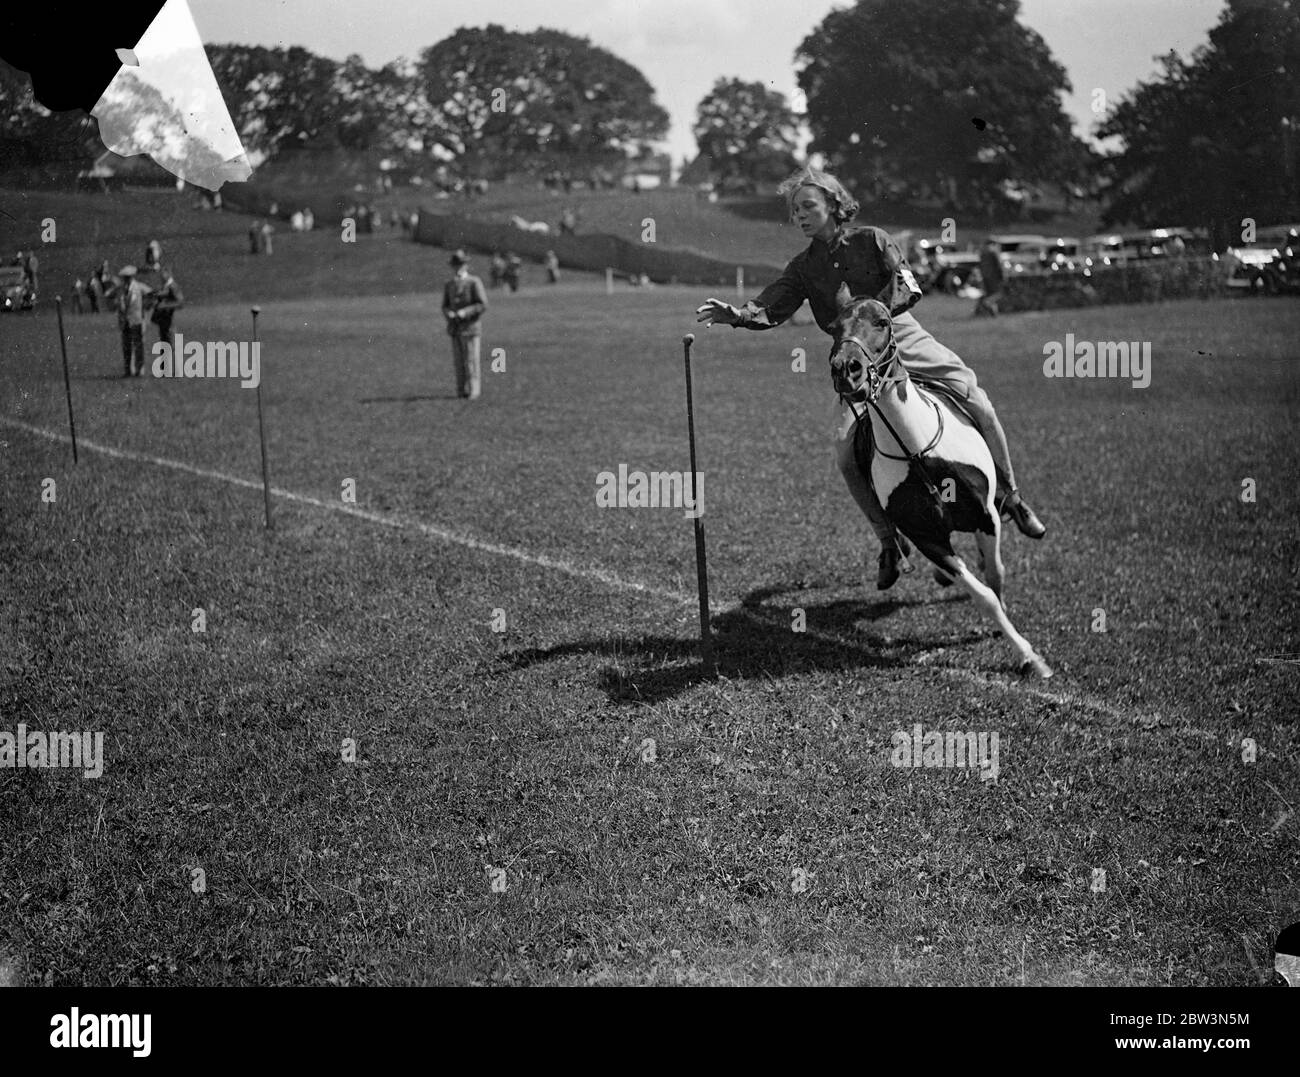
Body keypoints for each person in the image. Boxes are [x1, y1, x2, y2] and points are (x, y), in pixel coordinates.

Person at [695, 167, 1046, 592]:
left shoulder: (874, 240)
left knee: (979, 402)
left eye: (808, 206)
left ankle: (1010, 496)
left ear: (834, 206)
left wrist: (872, 319)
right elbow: (773, 304)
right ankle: (890, 544)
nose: (799, 216)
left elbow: (907, 284)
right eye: (794, 210)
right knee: (846, 455)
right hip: (852, 358)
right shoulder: (803, 267)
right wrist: (737, 315)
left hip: (902, 335)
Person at [442, 250, 487, 400]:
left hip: (471, 328)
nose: (458, 267)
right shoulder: (449, 284)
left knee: (471, 360)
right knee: (459, 361)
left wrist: (464, 313)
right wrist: (449, 314)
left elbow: (482, 304)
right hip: (455, 329)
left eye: (460, 264)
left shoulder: (474, 282)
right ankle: (461, 390)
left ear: (466, 265)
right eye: (455, 265)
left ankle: (474, 390)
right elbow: (445, 305)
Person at [115, 265, 153, 378]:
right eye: (124, 277)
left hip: (137, 321)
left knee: (139, 347)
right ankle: (128, 370)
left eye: (128, 277)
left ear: (132, 277)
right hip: (125, 322)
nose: (126, 279)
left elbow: (152, 295)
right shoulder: (120, 289)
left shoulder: (139, 287)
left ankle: (139, 370)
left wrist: (146, 309)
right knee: (126, 347)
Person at [148, 265, 184, 351]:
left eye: (163, 273)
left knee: (169, 348)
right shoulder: (165, 287)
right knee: (164, 349)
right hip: (163, 323)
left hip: (169, 323)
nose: (161, 276)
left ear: (168, 274)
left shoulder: (173, 286)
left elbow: (180, 302)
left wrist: (164, 306)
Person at [975, 237, 1004, 317]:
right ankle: (986, 303)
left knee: (990, 294)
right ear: (993, 244)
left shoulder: (982, 253)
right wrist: (1002, 276)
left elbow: (980, 266)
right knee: (999, 294)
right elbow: (998, 266)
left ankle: (994, 315)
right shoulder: (993, 253)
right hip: (994, 277)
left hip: (985, 277)